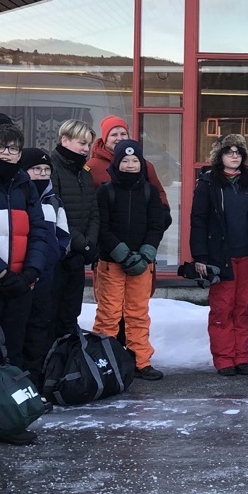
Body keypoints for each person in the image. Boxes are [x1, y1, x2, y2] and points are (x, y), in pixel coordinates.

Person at [0, 121, 58, 443]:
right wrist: (1, 273)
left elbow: (40, 230)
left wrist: (31, 272)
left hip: (22, 285)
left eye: (13, 149)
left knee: (14, 354)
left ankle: (10, 419)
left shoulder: (24, 185)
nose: (7, 154)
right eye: (0, 148)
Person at [190, 134, 248, 376]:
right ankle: (224, 358)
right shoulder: (208, 183)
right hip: (219, 257)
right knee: (222, 310)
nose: (234, 155)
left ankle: (241, 357)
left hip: (247, 255)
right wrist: (200, 256)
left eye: (238, 152)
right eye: (228, 151)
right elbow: (198, 221)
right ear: (219, 156)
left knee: (242, 309)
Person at [95, 140, 172, 381]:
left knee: (138, 313)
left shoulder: (149, 192)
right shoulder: (105, 191)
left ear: (142, 164)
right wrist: (123, 254)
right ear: (117, 163)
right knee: (109, 315)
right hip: (112, 263)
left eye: (135, 161)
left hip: (142, 263)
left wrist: (146, 253)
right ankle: (105, 361)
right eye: (125, 161)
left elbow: (157, 225)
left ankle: (141, 361)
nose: (130, 165)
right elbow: (102, 228)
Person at [17, 147, 70, 379]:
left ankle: (37, 377)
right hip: (19, 276)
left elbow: (64, 236)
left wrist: (53, 254)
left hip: (46, 277)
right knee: (20, 328)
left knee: (40, 329)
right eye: (36, 169)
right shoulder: (17, 197)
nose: (42, 173)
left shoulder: (54, 202)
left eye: (46, 169)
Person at [49, 120, 99, 340]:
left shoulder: (84, 172)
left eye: (88, 144)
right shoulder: (52, 169)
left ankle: (69, 360)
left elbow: (93, 211)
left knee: (71, 313)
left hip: (78, 255)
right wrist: (84, 243)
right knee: (53, 313)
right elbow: (55, 214)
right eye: (82, 143)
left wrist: (90, 243)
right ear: (65, 140)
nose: (86, 149)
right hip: (59, 255)